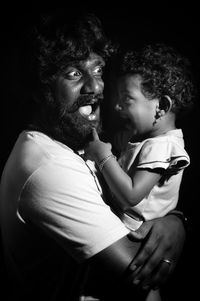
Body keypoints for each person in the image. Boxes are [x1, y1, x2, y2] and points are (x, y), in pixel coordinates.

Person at [0, 12, 187, 301]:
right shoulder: (49, 165)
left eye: (98, 70)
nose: (96, 87)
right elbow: (141, 274)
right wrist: (176, 230)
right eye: (74, 73)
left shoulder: (78, 145)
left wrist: (175, 219)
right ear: (41, 88)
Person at [85, 43, 195, 300]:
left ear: (162, 107)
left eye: (128, 100)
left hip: (136, 243)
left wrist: (103, 156)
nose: (117, 107)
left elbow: (131, 195)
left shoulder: (163, 146)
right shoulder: (150, 141)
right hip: (132, 239)